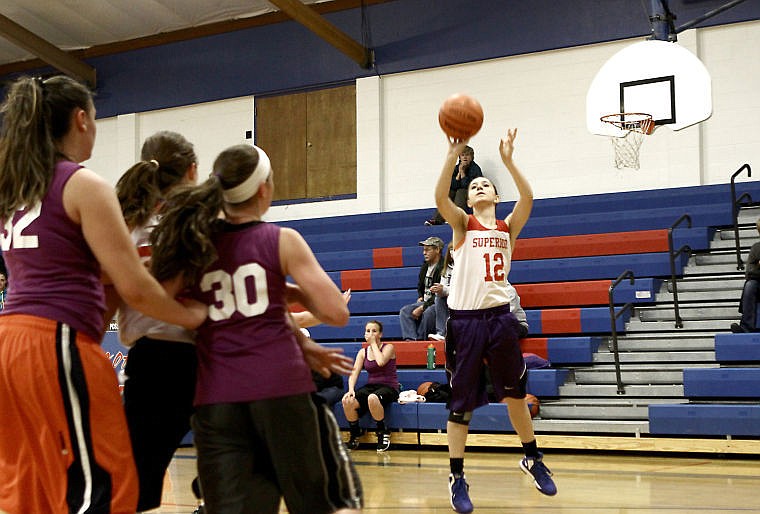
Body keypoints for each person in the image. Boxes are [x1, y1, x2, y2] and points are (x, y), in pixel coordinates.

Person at [0, 75, 206, 514]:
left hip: (10, 342)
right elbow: (134, 288)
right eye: (94, 117)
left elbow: (105, 281)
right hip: (54, 342)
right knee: (102, 484)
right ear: (81, 119)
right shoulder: (83, 184)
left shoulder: (18, 190)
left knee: (34, 480)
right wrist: (195, 317)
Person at [148, 143, 362, 514]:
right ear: (264, 189)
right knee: (323, 504)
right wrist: (288, 288)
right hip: (282, 390)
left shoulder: (195, 246)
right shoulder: (281, 240)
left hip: (218, 399)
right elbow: (335, 313)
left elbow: (153, 300)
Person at [435, 129, 557, 513]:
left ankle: (533, 458)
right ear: (469, 200)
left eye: (487, 185)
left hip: (500, 320)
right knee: (461, 405)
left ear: (496, 197)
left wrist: (508, 162)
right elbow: (440, 198)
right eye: (475, 187)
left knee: (515, 395)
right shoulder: (462, 226)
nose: (481, 188)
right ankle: (456, 476)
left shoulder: (507, 228)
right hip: (466, 323)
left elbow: (529, 198)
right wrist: (453, 158)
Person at [112, 130, 200, 512]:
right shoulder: (203, 222)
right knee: (235, 456)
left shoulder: (124, 225)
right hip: (204, 353)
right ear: (192, 171)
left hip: (149, 361)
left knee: (136, 481)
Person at [342, 320, 400, 452]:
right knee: (347, 401)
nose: (370, 333)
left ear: (380, 334)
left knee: (372, 398)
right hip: (371, 386)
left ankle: (382, 432)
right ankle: (355, 434)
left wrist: (373, 343)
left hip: (389, 387)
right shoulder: (363, 352)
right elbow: (354, 372)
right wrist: (351, 389)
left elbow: (380, 362)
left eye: (374, 331)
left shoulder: (388, 347)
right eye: (368, 331)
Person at [399, 236, 444, 340]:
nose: (424, 253)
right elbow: (420, 286)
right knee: (405, 311)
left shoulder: (443, 267)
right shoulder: (425, 266)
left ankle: (420, 340)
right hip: (425, 301)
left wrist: (422, 307)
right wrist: (420, 296)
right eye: (424, 250)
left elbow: (439, 295)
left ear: (437, 250)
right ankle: (410, 341)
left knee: (428, 312)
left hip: (438, 304)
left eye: (427, 250)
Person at [425, 145, 482, 225]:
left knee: (460, 192)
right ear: (459, 157)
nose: (465, 157)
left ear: (471, 157)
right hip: (459, 190)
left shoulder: (475, 169)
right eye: (462, 155)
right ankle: (437, 219)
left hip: (472, 193)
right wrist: (459, 174)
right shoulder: (455, 168)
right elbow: (451, 185)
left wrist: (462, 173)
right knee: (447, 194)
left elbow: (468, 186)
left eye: (467, 155)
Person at [731, 220, 760, 333]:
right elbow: (749, 272)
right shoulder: (756, 248)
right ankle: (746, 327)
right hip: (758, 283)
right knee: (750, 285)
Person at [428, 243, 454, 341]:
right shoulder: (446, 268)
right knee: (438, 298)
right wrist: (438, 290)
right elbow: (444, 286)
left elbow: (463, 289)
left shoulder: (465, 267)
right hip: (449, 298)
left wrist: (443, 290)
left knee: (429, 311)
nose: (452, 252)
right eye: (451, 250)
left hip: (464, 299)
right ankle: (441, 333)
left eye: (454, 249)